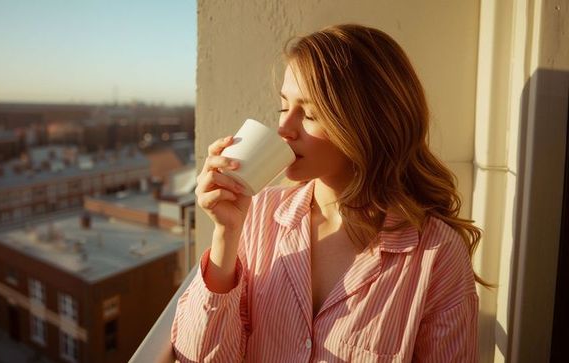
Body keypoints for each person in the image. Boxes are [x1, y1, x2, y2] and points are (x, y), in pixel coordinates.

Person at [171, 24, 483, 362]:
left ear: (367, 124)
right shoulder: (259, 217)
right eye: (283, 106)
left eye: (309, 113)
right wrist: (225, 236)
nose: (284, 129)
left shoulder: (436, 256)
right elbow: (199, 357)